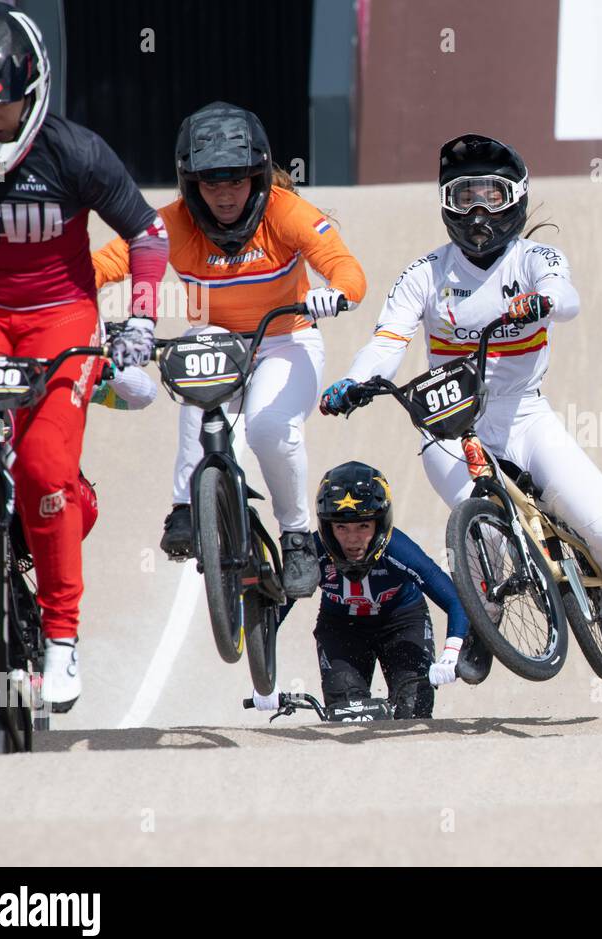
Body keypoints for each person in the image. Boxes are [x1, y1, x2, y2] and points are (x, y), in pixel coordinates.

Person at [320, 133, 602, 602]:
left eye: (492, 195)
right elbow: (387, 342)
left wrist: (542, 300)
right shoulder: (423, 274)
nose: (477, 212)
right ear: (445, 205)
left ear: (516, 198)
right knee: (487, 537)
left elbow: (566, 300)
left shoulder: (535, 258)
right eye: (463, 197)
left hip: (525, 416)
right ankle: (486, 623)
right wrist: (354, 381)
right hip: (449, 429)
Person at [0, 2, 168, 711]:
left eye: (6, 106)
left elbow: (148, 234)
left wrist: (139, 319)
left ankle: (64, 639)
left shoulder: (76, 151)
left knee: (47, 468)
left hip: (58, 318)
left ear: (34, 89)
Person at [92, 101, 367, 599]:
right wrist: (53, 293)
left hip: (287, 338)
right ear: (188, 183)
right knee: (195, 364)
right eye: (210, 182)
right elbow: (109, 261)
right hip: (220, 344)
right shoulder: (171, 222)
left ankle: (298, 537)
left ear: (259, 177)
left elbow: (347, 268)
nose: (224, 195)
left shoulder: (287, 212)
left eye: (236, 181)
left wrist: (336, 292)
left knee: (266, 426)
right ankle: (183, 508)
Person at [251, 461, 478, 720]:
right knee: (345, 716)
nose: (352, 539)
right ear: (327, 527)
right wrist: (262, 678)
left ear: (380, 525)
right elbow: (271, 613)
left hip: (403, 623)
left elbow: (455, 599)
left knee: (414, 710)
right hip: (342, 628)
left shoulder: (398, 550)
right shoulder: (313, 554)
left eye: (363, 526)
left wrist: (451, 653)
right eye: (341, 527)